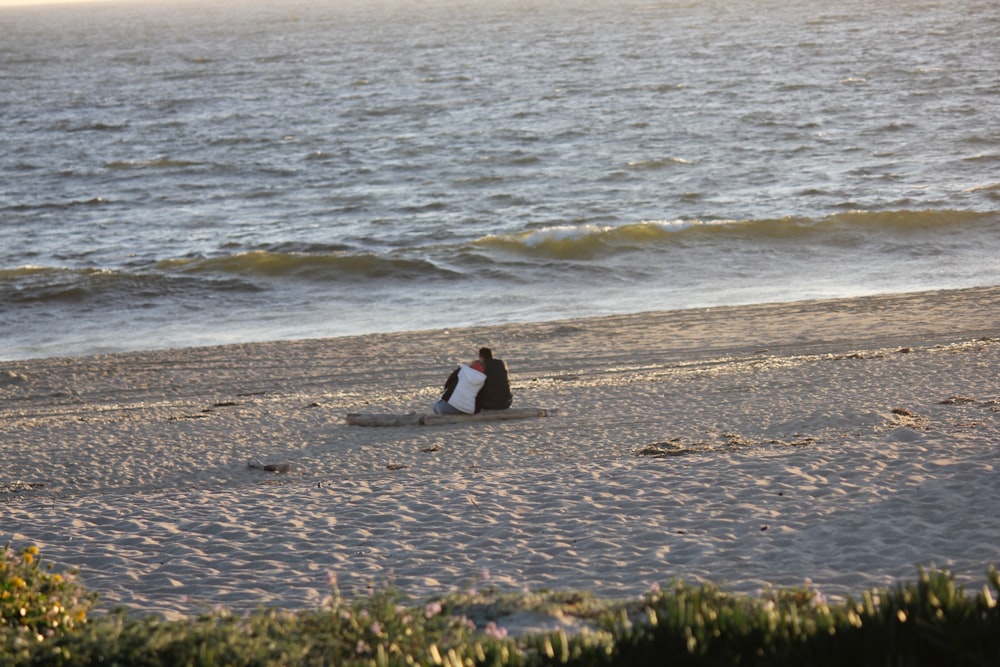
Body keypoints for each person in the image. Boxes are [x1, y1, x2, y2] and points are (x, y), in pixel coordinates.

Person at [476, 347, 513, 411]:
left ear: (481, 357)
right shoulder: (501, 363)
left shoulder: (481, 366)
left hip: (490, 404)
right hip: (507, 402)